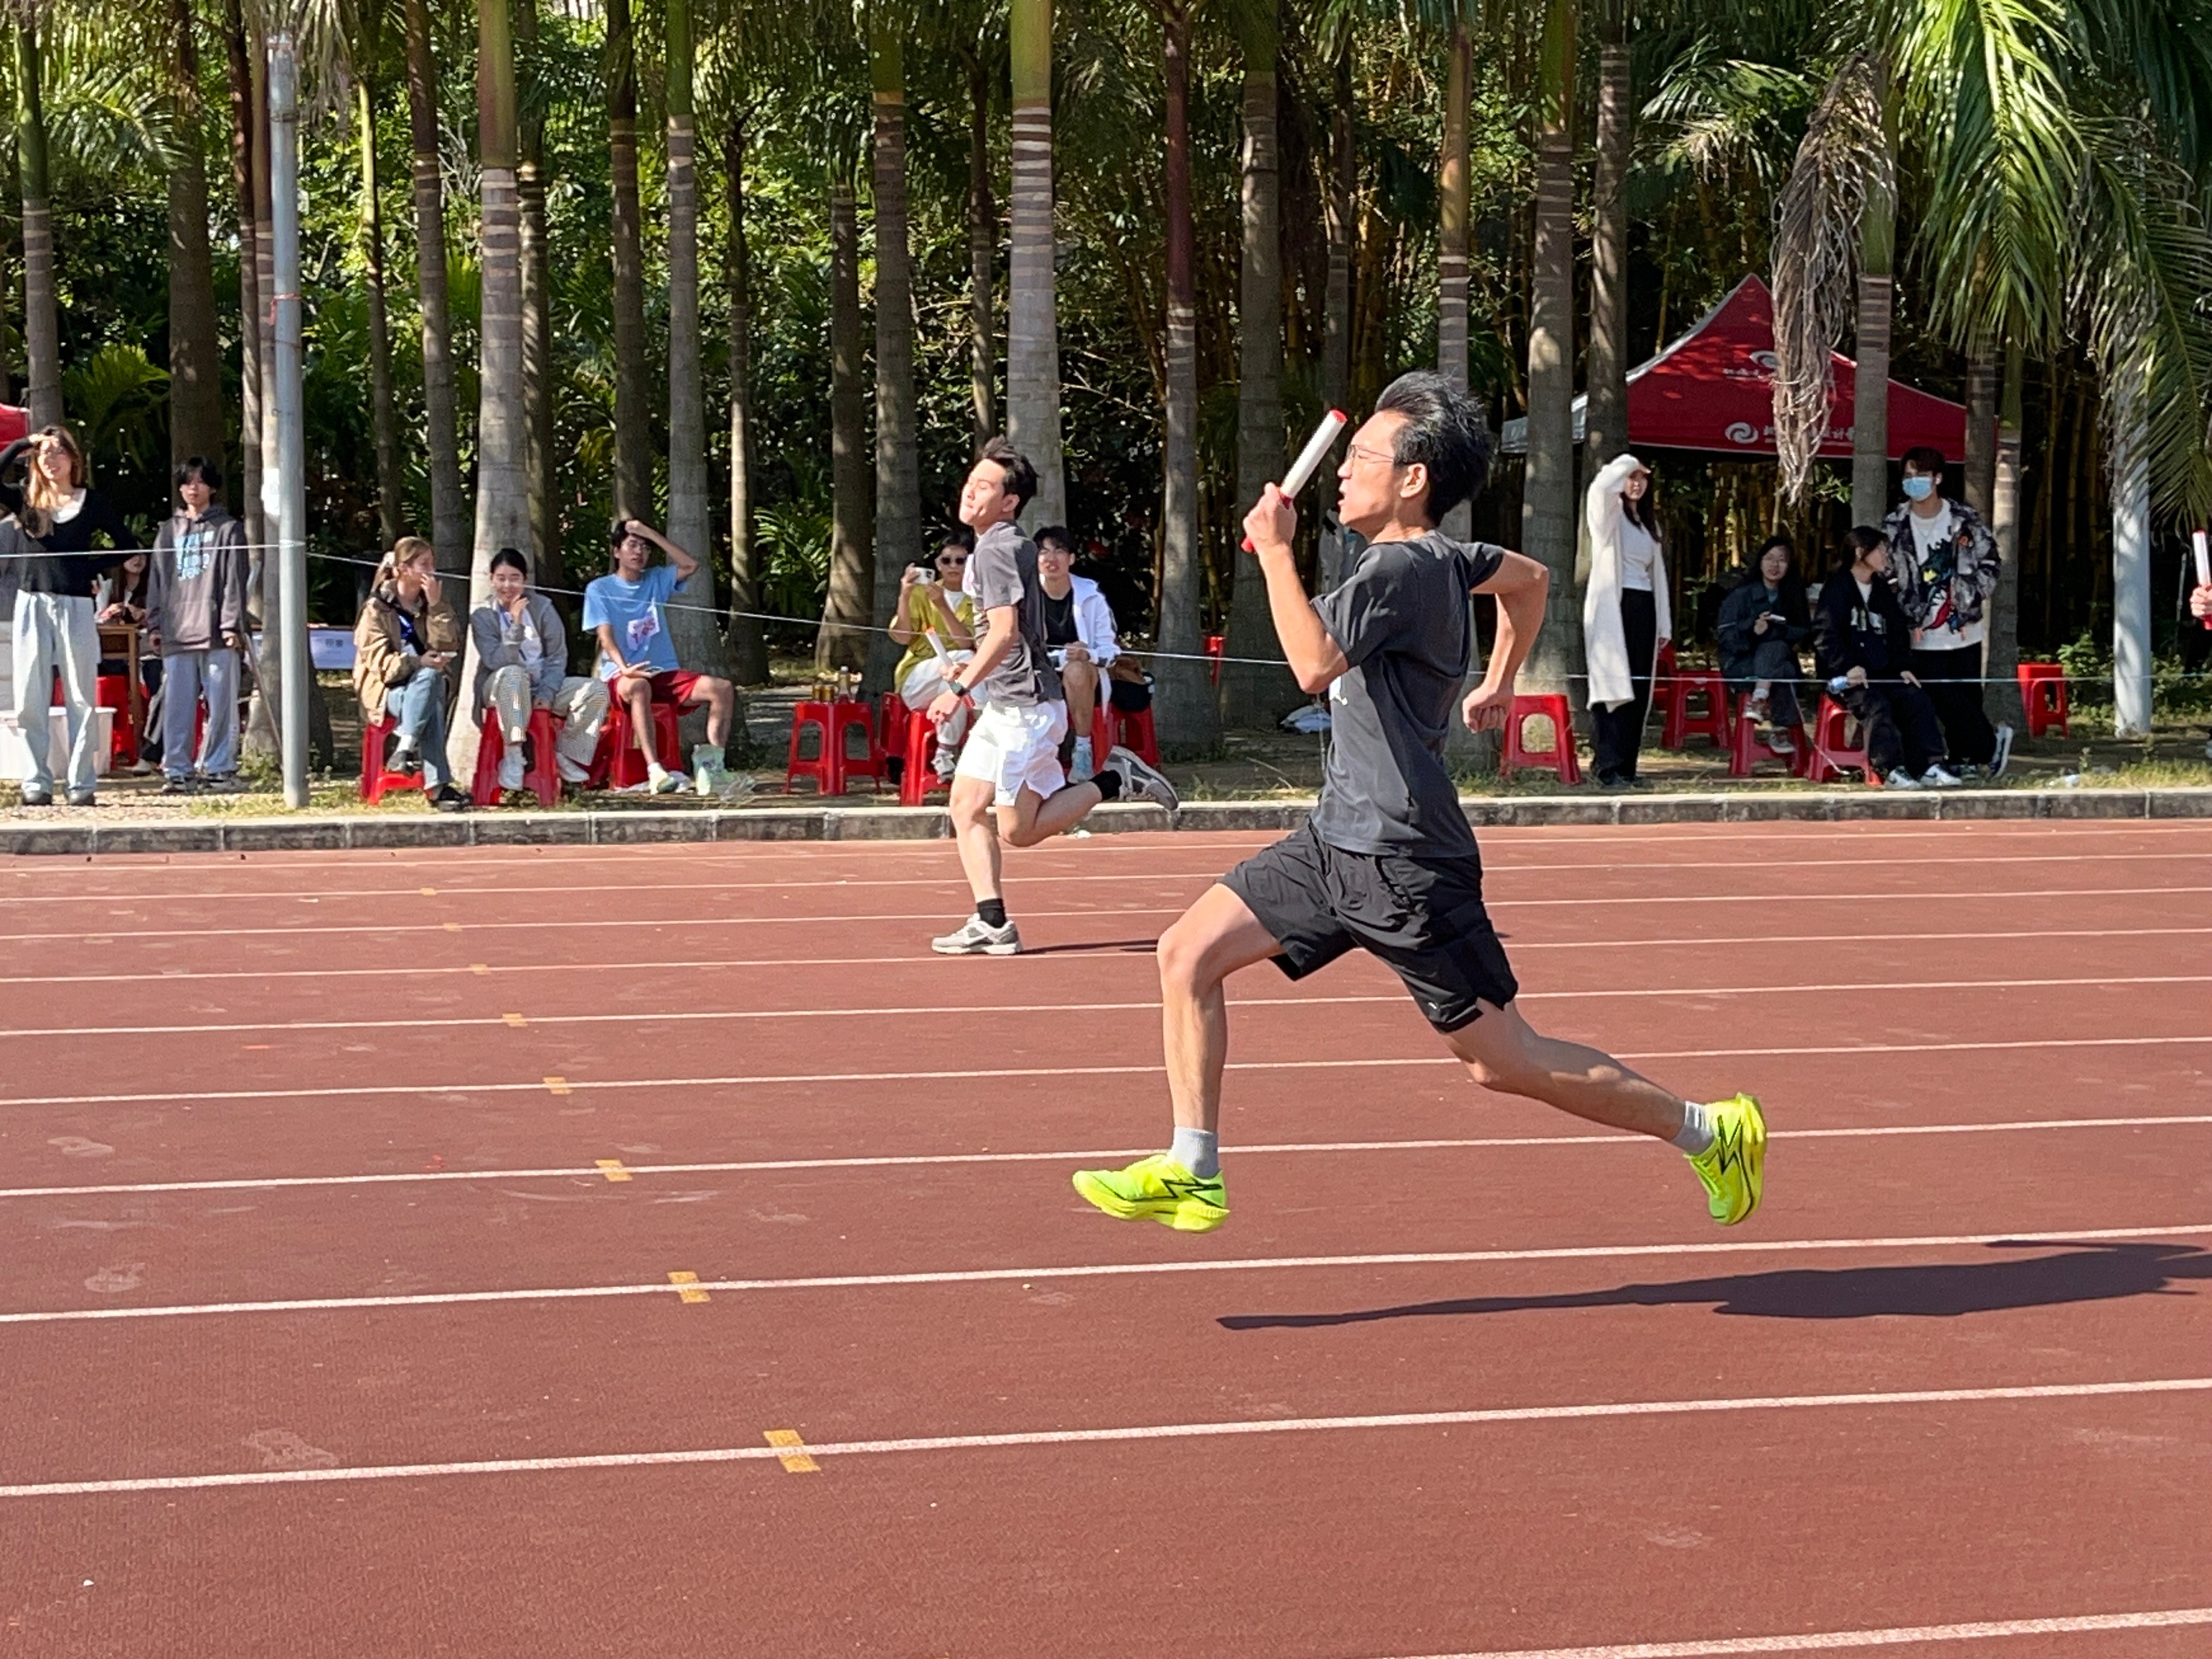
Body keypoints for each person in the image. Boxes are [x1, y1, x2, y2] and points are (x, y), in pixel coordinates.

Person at [1070, 371, 1764, 1236]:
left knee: (1502, 1061)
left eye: (1361, 457)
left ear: (1412, 478)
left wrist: (1276, 551)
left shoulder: (1398, 567)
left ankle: (1710, 1130)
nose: (1341, 472)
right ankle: (1193, 1168)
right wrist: (1499, 682)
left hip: (1404, 859)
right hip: (1336, 841)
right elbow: (1531, 579)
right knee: (1186, 952)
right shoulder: (1451, 558)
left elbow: (1313, 666)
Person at [926, 437, 1180, 956]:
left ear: (1010, 501)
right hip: (1007, 703)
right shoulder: (1004, 546)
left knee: (1018, 832)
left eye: (984, 487)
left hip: (1026, 710)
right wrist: (972, 666)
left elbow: (1004, 632)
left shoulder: (997, 550)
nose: (970, 492)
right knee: (965, 806)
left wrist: (957, 688)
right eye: (970, 482)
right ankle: (992, 922)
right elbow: (1009, 634)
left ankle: (1115, 778)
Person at [2, 425, 136, 807]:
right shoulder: (26, 499)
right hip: (31, 603)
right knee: (30, 697)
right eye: (44, 453)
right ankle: (36, 780)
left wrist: (88, 567)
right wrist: (22, 444)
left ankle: (81, 783)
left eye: (59, 451)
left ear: (74, 460)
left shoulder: (91, 501)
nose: (51, 459)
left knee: (81, 696)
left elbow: (126, 545)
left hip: (76, 605)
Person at [582, 516, 739, 797]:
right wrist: (625, 669)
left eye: (645, 548)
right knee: (640, 687)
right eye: (632, 545)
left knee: (723, 689)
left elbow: (690, 565)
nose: (639, 552)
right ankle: (656, 771)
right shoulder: (599, 589)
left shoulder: (655, 579)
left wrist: (648, 533)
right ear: (617, 552)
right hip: (621, 676)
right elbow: (605, 636)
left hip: (663, 673)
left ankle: (714, 766)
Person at [1883, 446, 2012, 778]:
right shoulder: (1895, 524)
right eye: (1908, 476)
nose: (1914, 482)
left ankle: (1964, 759)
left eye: (1921, 476)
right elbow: (1886, 569)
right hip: (1919, 628)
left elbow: (1990, 560)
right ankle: (1989, 746)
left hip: (1963, 626)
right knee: (1938, 693)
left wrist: (1972, 595)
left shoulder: (1963, 519)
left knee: (1967, 695)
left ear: (1938, 478)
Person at [1813, 526, 1956, 788]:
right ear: (1860, 552)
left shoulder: (1882, 591)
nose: (1885, 556)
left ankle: (1929, 766)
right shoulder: (1837, 589)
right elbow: (1826, 635)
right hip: (1848, 678)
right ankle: (1889, 768)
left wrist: (1903, 666)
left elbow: (1898, 633)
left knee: (1917, 699)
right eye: (1879, 550)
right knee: (1876, 705)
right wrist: (1847, 667)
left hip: (1883, 671)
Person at [145, 456, 249, 795]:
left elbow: (235, 579)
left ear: (213, 487)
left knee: (222, 707)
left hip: (217, 632)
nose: (194, 487)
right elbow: (156, 581)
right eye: (188, 481)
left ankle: (219, 768)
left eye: (201, 481)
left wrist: (232, 624)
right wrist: (155, 624)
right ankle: (177, 770)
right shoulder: (167, 531)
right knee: (177, 706)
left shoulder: (228, 528)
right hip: (177, 631)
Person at [470, 547, 611, 797]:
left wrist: (547, 693)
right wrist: (515, 625)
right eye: (501, 578)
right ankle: (513, 754)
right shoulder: (483, 615)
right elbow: (496, 661)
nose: (507, 586)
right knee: (514, 673)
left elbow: (557, 657)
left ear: (525, 580)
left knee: (596, 691)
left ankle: (564, 755)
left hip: (542, 682)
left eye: (515, 578)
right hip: (501, 685)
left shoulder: (543, 607)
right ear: (491, 579)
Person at [354, 536, 470, 812]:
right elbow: (382, 666)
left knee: (431, 681)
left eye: (433, 564)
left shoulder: (431, 603)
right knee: (430, 694)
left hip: (423, 684)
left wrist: (437, 607)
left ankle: (404, 749)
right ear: (404, 569)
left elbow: (449, 644)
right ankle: (437, 788)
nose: (432, 571)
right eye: (424, 564)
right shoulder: (376, 609)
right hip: (386, 692)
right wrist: (418, 661)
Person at [1582, 451, 1671, 787]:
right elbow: (1600, 487)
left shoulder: (1649, 525)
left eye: (1642, 478)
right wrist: (1627, 463)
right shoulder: (1609, 515)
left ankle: (1628, 767)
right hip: (1615, 606)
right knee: (1613, 685)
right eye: (1631, 478)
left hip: (1644, 604)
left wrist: (1663, 625)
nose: (1636, 484)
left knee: (1639, 686)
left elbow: (1658, 577)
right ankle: (1607, 765)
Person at [1032, 525, 1122, 782]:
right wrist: (1061, 657)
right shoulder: (1026, 597)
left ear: (1071, 559)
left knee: (1076, 671)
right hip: (1039, 673)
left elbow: (1111, 652)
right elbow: (1023, 652)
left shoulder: (1091, 594)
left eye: (1059, 551)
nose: (1051, 559)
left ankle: (1083, 749)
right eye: (1043, 552)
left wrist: (1087, 655)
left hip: (1084, 675)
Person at [888, 530, 976, 782]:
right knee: (964, 661)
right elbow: (902, 637)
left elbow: (966, 639)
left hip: (956, 681)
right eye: (947, 560)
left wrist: (942, 607)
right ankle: (972, 727)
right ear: (937, 564)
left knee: (955, 692)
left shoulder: (976, 598)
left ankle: (945, 752)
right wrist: (905, 595)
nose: (953, 567)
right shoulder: (921, 593)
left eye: (961, 561)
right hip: (918, 677)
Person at [1715, 534, 1811, 752]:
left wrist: (1778, 629)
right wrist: (1752, 629)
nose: (1775, 565)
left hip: (1775, 662)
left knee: (1777, 650)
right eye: (1770, 558)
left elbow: (1804, 631)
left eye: (1782, 560)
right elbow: (1725, 636)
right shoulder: (1741, 594)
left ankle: (1760, 700)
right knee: (1783, 666)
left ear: (1789, 566)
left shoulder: (1792, 596)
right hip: (1742, 663)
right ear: (1760, 562)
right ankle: (1780, 731)